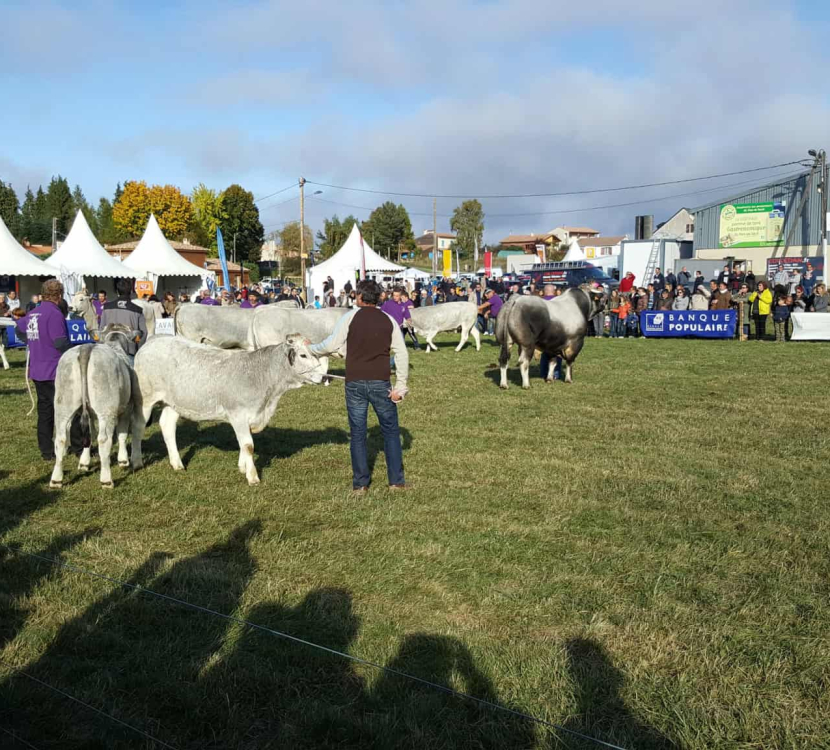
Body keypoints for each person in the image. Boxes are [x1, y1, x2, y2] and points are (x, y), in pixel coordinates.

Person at [310, 280, 408, 492]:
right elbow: (401, 352)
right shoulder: (389, 320)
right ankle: (396, 482)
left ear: (361, 298)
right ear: (379, 297)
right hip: (381, 383)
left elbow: (330, 345)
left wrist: (312, 349)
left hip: (354, 382)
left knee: (357, 433)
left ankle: (360, 485)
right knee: (391, 431)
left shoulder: (349, 317)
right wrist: (400, 387)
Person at [15, 280, 85, 461]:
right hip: (55, 370)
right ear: (60, 295)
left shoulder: (33, 313)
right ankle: (78, 448)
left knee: (45, 410)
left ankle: (47, 450)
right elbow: (60, 342)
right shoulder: (54, 314)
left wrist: (31, 342)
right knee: (73, 408)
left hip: (38, 369)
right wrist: (76, 355)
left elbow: (18, 328)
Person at [100, 278, 148, 356]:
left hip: (109, 352)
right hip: (130, 351)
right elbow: (143, 333)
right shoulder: (137, 310)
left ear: (117, 291)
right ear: (131, 292)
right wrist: (137, 348)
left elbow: (101, 330)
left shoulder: (106, 307)